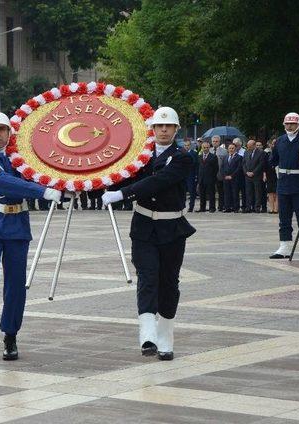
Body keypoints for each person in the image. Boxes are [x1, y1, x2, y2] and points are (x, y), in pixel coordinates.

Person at [101, 106, 195, 361]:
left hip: (171, 228)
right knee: (147, 277)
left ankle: (165, 337)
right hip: (143, 227)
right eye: (158, 126)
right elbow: (121, 176)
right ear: (152, 129)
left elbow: (158, 181)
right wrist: (95, 181)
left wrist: (121, 194)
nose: (163, 130)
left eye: (168, 126)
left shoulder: (183, 158)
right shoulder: (140, 156)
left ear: (176, 129)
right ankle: (148, 335)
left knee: (169, 283)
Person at [0, 112, 62, 361]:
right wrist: (42, 192)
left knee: (15, 284)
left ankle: (10, 335)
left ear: (10, 133)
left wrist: (67, 182)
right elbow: (3, 184)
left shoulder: (23, 160)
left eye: (2, 130)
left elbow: (50, 168)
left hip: (17, 224)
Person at [269, 112, 299, 260]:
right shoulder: (280, 141)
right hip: (283, 183)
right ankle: (284, 246)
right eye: (287, 124)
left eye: (292, 124)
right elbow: (273, 160)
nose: (289, 126)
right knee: (284, 218)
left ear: (298, 125)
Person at [242, 139, 265, 213]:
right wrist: (246, 172)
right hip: (247, 176)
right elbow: (243, 164)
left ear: (254, 145)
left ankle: (257, 207)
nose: (248, 147)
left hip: (257, 176)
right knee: (248, 192)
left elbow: (261, 164)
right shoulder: (246, 152)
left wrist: (253, 172)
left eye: (250, 146)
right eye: (247, 146)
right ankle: (248, 207)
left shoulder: (261, 153)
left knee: (257, 192)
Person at [196, 139, 218, 212]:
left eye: (207, 147)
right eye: (204, 147)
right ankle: (202, 208)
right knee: (202, 194)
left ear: (209, 148)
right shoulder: (199, 156)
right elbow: (198, 168)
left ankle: (212, 208)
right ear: (202, 148)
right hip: (201, 179)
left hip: (210, 179)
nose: (205, 149)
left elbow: (216, 169)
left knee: (211, 194)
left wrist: (213, 178)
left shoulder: (213, 157)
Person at [221, 143, 242, 212]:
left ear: (235, 149)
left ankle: (236, 208)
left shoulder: (239, 157)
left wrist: (231, 176)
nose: (231, 149)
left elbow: (239, 168)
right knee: (227, 193)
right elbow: (222, 167)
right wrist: (225, 176)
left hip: (235, 179)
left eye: (232, 148)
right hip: (226, 179)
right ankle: (227, 207)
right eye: (230, 148)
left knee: (235, 193)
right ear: (228, 149)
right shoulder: (225, 157)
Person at [211, 136, 227, 211]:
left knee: (221, 192)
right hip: (210, 175)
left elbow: (226, 163)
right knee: (211, 192)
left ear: (219, 142)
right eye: (213, 141)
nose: (215, 142)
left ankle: (221, 206)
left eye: (216, 141)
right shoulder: (209, 150)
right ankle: (212, 207)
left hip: (220, 174)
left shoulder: (224, 151)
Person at [184, 140, 198, 212]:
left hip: (191, 176)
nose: (186, 147)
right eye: (185, 145)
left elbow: (196, 165)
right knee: (182, 192)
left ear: (190, 145)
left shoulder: (194, 153)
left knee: (192, 192)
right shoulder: (181, 153)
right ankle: (182, 207)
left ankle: (191, 207)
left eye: (188, 145)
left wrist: (196, 175)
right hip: (183, 176)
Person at [264, 138, 278, 213]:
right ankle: (271, 208)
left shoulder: (280, 152)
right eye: (272, 143)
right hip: (269, 174)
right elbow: (265, 165)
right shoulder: (267, 153)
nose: (273, 145)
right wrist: (264, 174)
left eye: (275, 143)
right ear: (269, 144)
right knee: (270, 192)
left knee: (277, 192)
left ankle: (276, 208)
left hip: (278, 174)